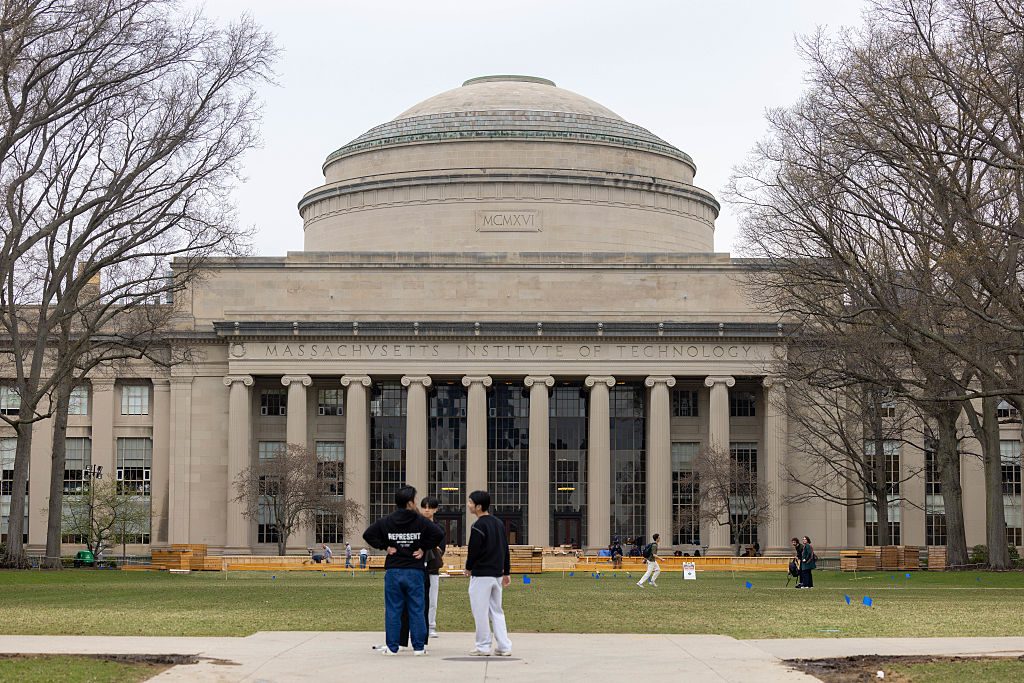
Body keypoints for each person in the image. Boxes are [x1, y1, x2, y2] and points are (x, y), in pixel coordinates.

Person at [363, 485, 443, 656]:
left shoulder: (387, 521)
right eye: (415, 500)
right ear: (409, 503)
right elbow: (438, 533)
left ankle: (393, 647)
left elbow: (368, 534)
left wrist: (385, 546)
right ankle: (419, 647)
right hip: (415, 570)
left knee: (393, 609)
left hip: (394, 570)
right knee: (417, 608)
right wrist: (423, 547)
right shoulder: (420, 521)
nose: (416, 503)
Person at [465, 490, 512, 657]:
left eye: (470, 502)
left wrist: (468, 567)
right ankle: (504, 646)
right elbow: (505, 548)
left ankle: (483, 646)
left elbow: (473, 551)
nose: (468, 505)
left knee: (480, 611)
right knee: (496, 611)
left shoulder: (478, 526)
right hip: (496, 574)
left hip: (482, 575)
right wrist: (506, 571)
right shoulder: (498, 523)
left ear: (478, 506)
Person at [399, 496, 445, 646]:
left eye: (430, 507)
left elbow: (440, 549)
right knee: (414, 600)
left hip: (432, 567)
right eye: (425, 507)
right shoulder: (416, 525)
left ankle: (431, 626)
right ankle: (414, 629)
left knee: (432, 600)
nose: (427, 510)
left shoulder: (439, 528)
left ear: (435, 509)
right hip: (416, 567)